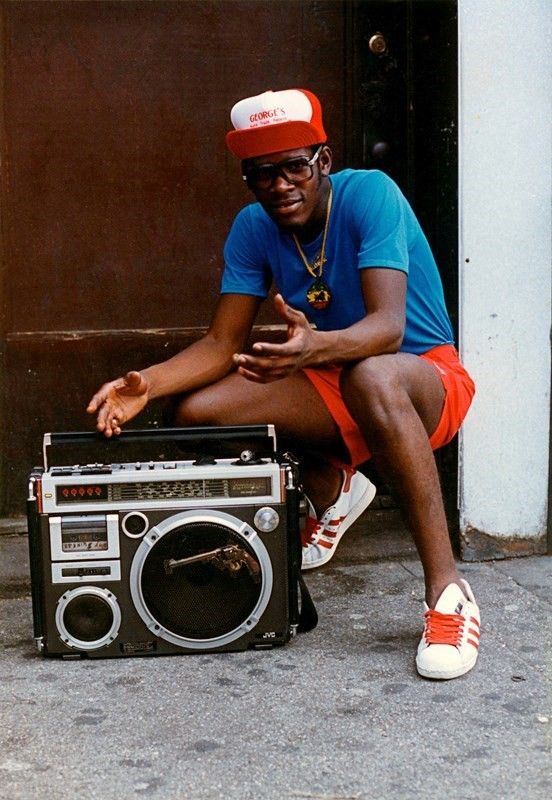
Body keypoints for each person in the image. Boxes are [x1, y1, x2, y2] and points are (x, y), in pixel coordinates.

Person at [87, 88, 480, 680]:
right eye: (261, 173)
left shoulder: (370, 194)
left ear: (323, 160)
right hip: (332, 376)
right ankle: (329, 486)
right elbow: (222, 344)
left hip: (421, 377)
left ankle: (448, 593)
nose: (279, 185)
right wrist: (150, 385)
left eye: (294, 165)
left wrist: (314, 347)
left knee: (371, 376)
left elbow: (387, 329)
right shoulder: (253, 227)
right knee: (194, 412)